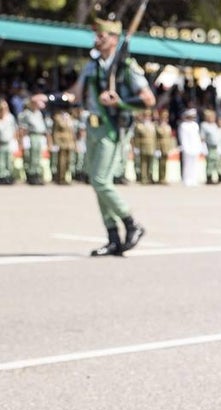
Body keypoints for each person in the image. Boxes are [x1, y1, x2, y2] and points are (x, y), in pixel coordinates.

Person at [64, 17, 155, 256]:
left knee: (101, 181)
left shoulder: (126, 67)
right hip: (92, 127)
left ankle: (131, 223)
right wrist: (50, 99)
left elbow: (148, 99)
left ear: (114, 39)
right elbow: (74, 94)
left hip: (113, 128)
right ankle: (113, 237)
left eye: (101, 36)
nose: (97, 39)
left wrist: (120, 102)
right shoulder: (92, 66)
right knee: (97, 182)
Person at [17, 93, 48, 185]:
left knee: (38, 156)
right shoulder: (26, 114)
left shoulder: (38, 113)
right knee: (32, 156)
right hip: (32, 136)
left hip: (39, 136)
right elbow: (22, 128)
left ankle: (37, 174)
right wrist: (21, 141)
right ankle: (32, 174)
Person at [177, 108, 204, 186]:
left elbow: (197, 137)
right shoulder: (183, 125)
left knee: (195, 164)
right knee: (187, 164)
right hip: (187, 147)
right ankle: (187, 179)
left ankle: (194, 179)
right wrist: (185, 147)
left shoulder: (195, 125)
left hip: (195, 147)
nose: (192, 118)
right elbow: (183, 138)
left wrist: (199, 146)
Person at [0, 99, 16, 184]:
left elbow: (14, 129)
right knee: (1, 162)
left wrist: (14, 140)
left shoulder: (10, 118)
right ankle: (2, 176)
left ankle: (8, 176)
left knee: (9, 161)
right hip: (1, 143)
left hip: (8, 142)